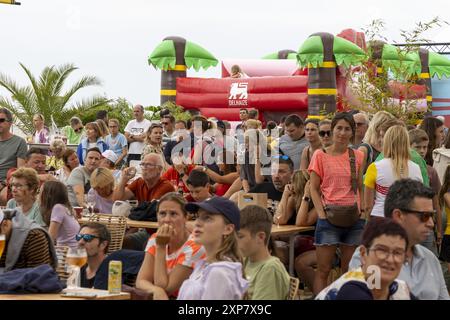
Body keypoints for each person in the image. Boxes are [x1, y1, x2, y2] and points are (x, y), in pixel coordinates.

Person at [349, 178, 450, 300]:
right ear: (398, 216)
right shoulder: (370, 257)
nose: (431, 223)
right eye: (425, 216)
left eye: (432, 215)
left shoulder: (430, 259)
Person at [309, 112, 366, 295]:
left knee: (349, 272)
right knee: (324, 270)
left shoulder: (357, 156)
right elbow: (313, 188)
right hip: (329, 217)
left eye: (347, 129)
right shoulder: (320, 155)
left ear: (352, 132)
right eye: (339, 128)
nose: (342, 133)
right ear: (333, 130)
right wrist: (322, 215)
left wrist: (363, 211)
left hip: (353, 217)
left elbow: (360, 186)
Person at [316, 219, 414, 300]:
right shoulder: (351, 289)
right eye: (382, 250)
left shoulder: (400, 289)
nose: (390, 259)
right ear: (363, 254)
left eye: (398, 252)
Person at [136, 193, 206, 300]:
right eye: (162, 214)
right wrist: (155, 290)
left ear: (186, 217)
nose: (167, 219)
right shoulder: (155, 238)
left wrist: (161, 248)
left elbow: (166, 289)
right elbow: (141, 281)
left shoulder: (195, 246)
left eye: (173, 214)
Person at [178, 197, 249, 300]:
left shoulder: (219, 272)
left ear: (228, 229)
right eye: (197, 217)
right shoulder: (205, 265)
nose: (197, 223)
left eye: (207, 218)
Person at [364, 125, 423, 219]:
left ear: (386, 142)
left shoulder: (375, 167)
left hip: (381, 216)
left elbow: (367, 206)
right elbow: (419, 199)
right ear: (406, 143)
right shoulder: (416, 168)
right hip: (407, 218)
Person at [237, 205, 290, 300]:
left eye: (240, 236)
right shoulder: (246, 260)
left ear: (261, 237)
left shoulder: (270, 269)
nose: (235, 241)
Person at [409, 128, 442, 253]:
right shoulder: (402, 167)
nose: (422, 151)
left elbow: (436, 202)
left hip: (427, 222)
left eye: (425, 147)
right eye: (418, 147)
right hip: (409, 222)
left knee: (429, 258)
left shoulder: (430, 171)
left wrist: (439, 230)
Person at [40, 180, 79, 248]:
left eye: (40, 192)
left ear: (48, 195)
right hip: (74, 250)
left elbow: (51, 238)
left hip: (66, 252)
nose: (38, 195)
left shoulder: (58, 208)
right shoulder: (67, 208)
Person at [0, 108, 27, 203]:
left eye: (1, 120)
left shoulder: (20, 142)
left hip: (8, 181)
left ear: (10, 123)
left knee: (3, 197)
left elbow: (20, 171)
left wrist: (4, 183)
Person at [77, 222, 111, 288]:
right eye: (79, 237)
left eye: (87, 238)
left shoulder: (111, 272)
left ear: (103, 245)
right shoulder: (78, 269)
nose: (80, 242)